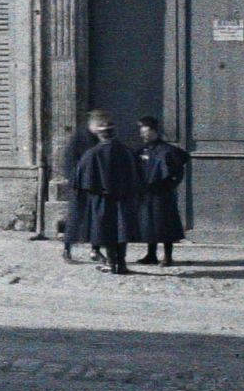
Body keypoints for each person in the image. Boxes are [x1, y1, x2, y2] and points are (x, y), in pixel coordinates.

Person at [71, 112, 144, 274]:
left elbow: (81, 179)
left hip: (102, 199)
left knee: (107, 231)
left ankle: (111, 263)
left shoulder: (92, 154)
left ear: (100, 135)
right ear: (114, 133)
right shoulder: (126, 151)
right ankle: (122, 264)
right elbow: (138, 176)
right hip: (124, 199)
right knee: (121, 231)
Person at [133, 116, 191, 266]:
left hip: (162, 194)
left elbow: (178, 171)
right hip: (146, 194)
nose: (143, 136)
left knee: (166, 225)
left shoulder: (167, 151)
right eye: (142, 133)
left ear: (154, 132)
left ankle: (168, 256)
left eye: (146, 133)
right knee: (148, 224)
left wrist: (169, 185)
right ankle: (151, 254)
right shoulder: (142, 151)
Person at [60, 111, 106, 263]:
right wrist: (75, 181)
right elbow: (69, 162)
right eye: (99, 124)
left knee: (97, 220)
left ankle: (95, 250)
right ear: (91, 123)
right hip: (79, 186)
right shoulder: (78, 139)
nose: (101, 128)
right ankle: (67, 250)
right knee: (75, 218)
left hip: (96, 186)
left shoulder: (101, 139)